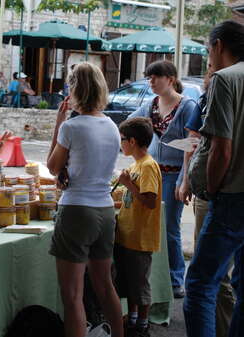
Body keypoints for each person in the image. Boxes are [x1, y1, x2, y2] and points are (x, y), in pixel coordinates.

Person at [47, 62, 123, 337]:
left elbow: (53, 167)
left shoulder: (72, 126)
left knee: (72, 295)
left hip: (77, 209)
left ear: (75, 89)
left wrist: (58, 124)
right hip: (104, 210)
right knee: (105, 286)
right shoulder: (112, 126)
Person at [183, 20, 244, 337]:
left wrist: (212, 189)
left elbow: (221, 148)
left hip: (232, 196)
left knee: (200, 284)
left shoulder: (225, 79)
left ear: (218, 45)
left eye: (208, 49)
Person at [128, 60, 196, 298]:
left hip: (174, 174)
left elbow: (193, 145)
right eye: (149, 78)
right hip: (152, 173)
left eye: (155, 77)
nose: (151, 82)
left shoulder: (187, 106)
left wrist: (184, 179)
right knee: (150, 226)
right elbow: (129, 125)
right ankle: (157, 278)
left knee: (169, 227)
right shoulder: (151, 105)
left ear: (170, 78)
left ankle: (176, 279)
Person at [179, 66, 236, 337]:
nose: (208, 72)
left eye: (211, 66)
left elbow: (217, 149)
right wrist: (187, 181)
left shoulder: (224, 87)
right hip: (212, 192)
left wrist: (210, 189)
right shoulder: (204, 99)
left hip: (219, 194)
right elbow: (194, 143)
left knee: (207, 279)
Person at [114, 117, 162, 337]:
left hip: (140, 238)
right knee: (128, 282)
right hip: (127, 236)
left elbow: (150, 201)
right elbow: (130, 200)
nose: (120, 143)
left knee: (139, 284)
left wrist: (128, 184)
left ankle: (142, 325)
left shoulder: (148, 166)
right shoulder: (135, 165)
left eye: (122, 139)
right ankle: (132, 318)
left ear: (132, 141)